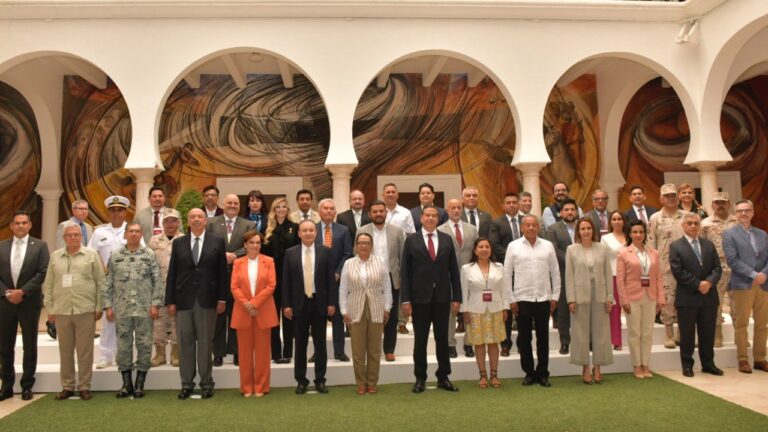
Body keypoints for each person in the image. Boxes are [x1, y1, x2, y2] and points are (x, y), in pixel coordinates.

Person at [165, 208, 228, 399]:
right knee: (185, 344)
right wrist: (170, 301)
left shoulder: (217, 241)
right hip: (183, 301)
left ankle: (206, 383)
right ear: (188, 220)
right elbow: (172, 273)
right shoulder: (179, 243)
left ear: (205, 220)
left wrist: (222, 298)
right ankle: (187, 384)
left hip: (207, 301)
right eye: (192, 217)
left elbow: (222, 273)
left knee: (205, 344)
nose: (196, 219)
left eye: (200, 216)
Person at [401, 205, 462, 393]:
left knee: (442, 339)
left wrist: (457, 297)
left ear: (438, 219)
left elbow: (454, 270)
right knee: (420, 340)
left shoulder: (446, 240)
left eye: (434, 216)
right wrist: (406, 300)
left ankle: (443, 376)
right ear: (421, 218)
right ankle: (420, 378)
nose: (430, 218)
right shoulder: (411, 241)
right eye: (427, 215)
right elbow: (405, 272)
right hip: (420, 299)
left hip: (443, 298)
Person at [43, 222, 105, 400]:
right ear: (64, 238)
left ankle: (85, 386)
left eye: (76, 235)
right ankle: (68, 386)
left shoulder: (91, 255)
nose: (73, 238)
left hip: (85, 309)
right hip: (62, 310)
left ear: (81, 237)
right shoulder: (56, 257)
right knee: (65, 350)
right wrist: (50, 307)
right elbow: (48, 283)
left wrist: (99, 306)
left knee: (85, 351)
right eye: (70, 235)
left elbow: (101, 282)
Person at [103, 221, 163, 398]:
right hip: (122, 309)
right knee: (123, 346)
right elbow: (107, 283)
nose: (134, 234)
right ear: (125, 234)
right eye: (131, 231)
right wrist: (107, 306)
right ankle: (126, 383)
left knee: (144, 345)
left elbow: (157, 281)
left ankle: (140, 383)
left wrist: (155, 304)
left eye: (137, 231)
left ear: (141, 234)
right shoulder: (115, 256)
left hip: (145, 309)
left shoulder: (149, 255)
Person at [504, 215, 560, 387]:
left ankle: (543, 373)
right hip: (522, 298)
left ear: (538, 227)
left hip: (544, 298)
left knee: (543, 338)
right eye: (527, 225)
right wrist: (511, 299)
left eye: (534, 225)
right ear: (522, 227)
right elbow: (507, 274)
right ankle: (529, 372)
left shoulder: (548, 246)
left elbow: (555, 272)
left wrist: (555, 296)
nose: (530, 228)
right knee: (524, 338)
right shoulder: (513, 246)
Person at [282, 220, 336, 394]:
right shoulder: (290, 253)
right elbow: (286, 282)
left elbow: (330, 280)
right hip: (299, 305)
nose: (307, 233)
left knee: (321, 345)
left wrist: (331, 303)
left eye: (311, 230)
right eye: (304, 230)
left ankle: (320, 380)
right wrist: (286, 305)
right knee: (300, 345)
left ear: (316, 233)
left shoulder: (326, 252)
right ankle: (301, 380)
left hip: (319, 304)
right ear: (299, 233)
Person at [0, 211, 49, 401]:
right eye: (17, 223)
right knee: (5, 346)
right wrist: (7, 293)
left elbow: (42, 271)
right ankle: (7, 385)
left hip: (29, 302)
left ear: (29, 225)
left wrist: (22, 292)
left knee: (30, 345)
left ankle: (27, 385)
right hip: (5, 303)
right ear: (11, 225)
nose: (20, 226)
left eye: (24, 223)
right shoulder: (1, 246)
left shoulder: (40, 246)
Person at [89, 195, 142, 369]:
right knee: (108, 320)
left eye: (119, 210)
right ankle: (105, 356)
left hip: (129, 283)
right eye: (113, 210)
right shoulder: (99, 232)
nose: (116, 213)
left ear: (125, 212)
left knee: (128, 321)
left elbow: (141, 253)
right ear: (108, 212)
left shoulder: (133, 230)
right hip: (107, 283)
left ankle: (125, 355)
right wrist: (102, 268)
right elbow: (91, 254)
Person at [669, 213, 723, 377]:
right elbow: (677, 271)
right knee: (687, 334)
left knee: (708, 332)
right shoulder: (676, 246)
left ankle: (708, 364)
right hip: (688, 297)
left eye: (696, 223)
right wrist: (698, 284)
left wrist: (709, 282)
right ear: (683, 226)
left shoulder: (708, 245)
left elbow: (717, 268)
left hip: (709, 296)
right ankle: (687, 365)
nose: (693, 226)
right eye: (689, 223)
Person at [340, 232, 392, 395]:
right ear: (355, 246)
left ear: (371, 245)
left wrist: (387, 308)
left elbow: (387, 287)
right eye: (360, 243)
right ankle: (361, 383)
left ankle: (372, 382)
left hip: (376, 308)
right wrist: (344, 310)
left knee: (374, 350)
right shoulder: (348, 264)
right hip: (355, 310)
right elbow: (343, 289)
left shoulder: (380, 262)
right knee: (358, 350)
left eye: (367, 243)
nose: (364, 245)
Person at [565, 218, 614, 384]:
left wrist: (609, 298)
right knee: (580, 332)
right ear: (578, 231)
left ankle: (598, 367)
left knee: (601, 332)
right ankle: (585, 367)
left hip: (600, 294)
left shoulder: (603, 249)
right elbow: (569, 276)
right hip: (580, 295)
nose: (586, 231)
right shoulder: (571, 250)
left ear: (593, 231)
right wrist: (570, 299)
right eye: (582, 228)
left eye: (588, 228)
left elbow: (608, 274)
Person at [722, 199, 768, 374]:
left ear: (753, 212)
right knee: (741, 324)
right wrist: (754, 275)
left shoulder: (763, 234)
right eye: (740, 211)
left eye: (747, 210)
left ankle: (760, 358)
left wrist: (763, 274)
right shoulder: (729, 234)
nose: (744, 213)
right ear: (735, 214)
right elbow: (733, 260)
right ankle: (742, 359)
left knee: (762, 324)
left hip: (763, 285)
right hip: (743, 284)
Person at [230, 231, 278, 397]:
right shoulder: (238, 263)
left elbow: (271, 286)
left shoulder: (269, 261)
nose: (255, 245)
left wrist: (254, 303)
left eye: (258, 242)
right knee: (244, 354)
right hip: (243, 312)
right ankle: (247, 386)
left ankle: (261, 386)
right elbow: (234, 287)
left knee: (263, 353)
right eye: (251, 242)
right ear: (245, 245)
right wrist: (246, 304)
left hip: (262, 311)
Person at [207, 194, 251, 366]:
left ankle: (236, 351)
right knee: (218, 316)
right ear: (222, 204)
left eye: (236, 203)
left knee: (237, 316)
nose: (232, 205)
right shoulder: (211, 223)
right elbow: (207, 244)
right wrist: (221, 255)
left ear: (239, 206)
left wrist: (233, 255)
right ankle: (218, 352)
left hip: (239, 277)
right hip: (216, 278)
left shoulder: (248, 224)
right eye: (229, 202)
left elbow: (251, 245)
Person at [616, 221, 665, 379]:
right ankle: (637, 365)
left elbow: (658, 277)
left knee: (647, 332)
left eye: (641, 232)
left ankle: (646, 364)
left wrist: (660, 298)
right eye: (635, 232)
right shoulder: (624, 253)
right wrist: (624, 300)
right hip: (632, 297)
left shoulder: (654, 253)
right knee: (634, 333)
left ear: (645, 234)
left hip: (650, 295)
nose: (638, 235)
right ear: (629, 234)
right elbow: (620, 280)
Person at [357, 200, 404, 362]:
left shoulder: (397, 231)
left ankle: (389, 349)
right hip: (369, 277)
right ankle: (371, 349)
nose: (378, 214)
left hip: (391, 277)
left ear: (386, 213)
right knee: (370, 313)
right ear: (370, 214)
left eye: (381, 211)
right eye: (375, 211)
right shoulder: (362, 231)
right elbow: (355, 254)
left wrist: (402, 277)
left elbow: (402, 256)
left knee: (390, 314)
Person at [461, 238, 509, 389]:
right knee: (479, 344)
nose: (484, 249)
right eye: (480, 247)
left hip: (495, 309)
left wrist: (505, 308)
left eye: (487, 246)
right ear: (475, 250)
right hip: (475, 310)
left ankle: (494, 375)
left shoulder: (499, 267)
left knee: (494, 343)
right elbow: (463, 291)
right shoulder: (467, 269)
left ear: (491, 250)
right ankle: (482, 375)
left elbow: (504, 289)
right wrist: (465, 311)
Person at [439, 198, 478, 358]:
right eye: (452, 208)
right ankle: (450, 344)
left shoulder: (472, 229)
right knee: (451, 312)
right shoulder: (440, 229)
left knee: (470, 310)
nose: (456, 210)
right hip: (449, 276)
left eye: (458, 208)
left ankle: (469, 343)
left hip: (470, 276)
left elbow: (477, 250)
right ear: (447, 211)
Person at [262, 197, 300, 364]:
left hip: (291, 277)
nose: (282, 209)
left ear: (288, 209)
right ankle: (276, 353)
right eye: (278, 207)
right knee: (273, 317)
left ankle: (288, 353)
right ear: (274, 210)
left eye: (284, 206)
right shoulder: (267, 229)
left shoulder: (295, 228)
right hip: (272, 277)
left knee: (289, 315)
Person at [315, 198, 353, 361]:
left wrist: (338, 272)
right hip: (316, 281)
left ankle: (339, 351)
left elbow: (348, 254)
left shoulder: (343, 230)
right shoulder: (312, 229)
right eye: (326, 208)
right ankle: (318, 352)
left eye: (332, 209)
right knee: (317, 319)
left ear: (335, 212)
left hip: (337, 280)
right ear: (319, 211)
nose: (329, 211)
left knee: (338, 317)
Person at [648, 183, 685, 349]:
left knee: (684, 299)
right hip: (665, 266)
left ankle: (682, 333)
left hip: (686, 265)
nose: (671, 198)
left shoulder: (688, 216)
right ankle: (669, 334)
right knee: (668, 300)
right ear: (661, 199)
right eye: (667, 196)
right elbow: (651, 244)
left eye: (673, 195)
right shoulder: (655, 218)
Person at [701, 192, 739, 347]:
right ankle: (717, 335)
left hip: (736, 269)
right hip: (716, 269)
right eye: (717, 202)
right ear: (712, 205)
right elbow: (702, 248)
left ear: (729, 204)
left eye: (723, 202)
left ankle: (739, 335)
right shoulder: (705, 224)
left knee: (738, 304)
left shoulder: (737, 222)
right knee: (715, 304)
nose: (720, 205)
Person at [148, 209, 184, 367]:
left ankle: (176, 353)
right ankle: (160, 353)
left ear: (178, 223)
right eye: (167, 221)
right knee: (158, 323)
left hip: (179, 288)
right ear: (162, 223)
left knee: (177, 322)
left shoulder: (184, 240)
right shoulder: (154, 241)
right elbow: (149, 265)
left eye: (174, 221)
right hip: (158, 287)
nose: (170, 224)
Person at [488, 192, 523, 356]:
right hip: (505, 271)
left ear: (519, 204)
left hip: (525, 271)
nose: (511, 205)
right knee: (507, 307)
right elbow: (494, 245)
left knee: (523, 308)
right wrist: (513, 257)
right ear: (503, 206)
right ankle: (506, 344)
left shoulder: (526, 221)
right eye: (508, 202)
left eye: (514, 202)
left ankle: (523, 343)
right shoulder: (496, 223)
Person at [546, 198, 578, 355]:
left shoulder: (584, 227)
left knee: (583, 309)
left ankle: (585, 340)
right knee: (564, 311)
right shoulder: (553, 229)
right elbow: (554, 249)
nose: (570, 212)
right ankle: (565, 342)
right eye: (566, 210)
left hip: (584, 275)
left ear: (576, 211)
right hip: (563, 273)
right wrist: (575, 260)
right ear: (560, 213)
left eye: (572, 209)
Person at [600, 210, 629, 351]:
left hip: (630, 277)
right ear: (610, 222)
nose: (617, 221)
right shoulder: (606, 238)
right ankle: (616, 340)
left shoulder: (630, 236)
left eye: (619, 219)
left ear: (624, 221)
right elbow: (602, 259)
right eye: (614, 219)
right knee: (615, 310)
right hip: (613, 275)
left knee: (632, 308)